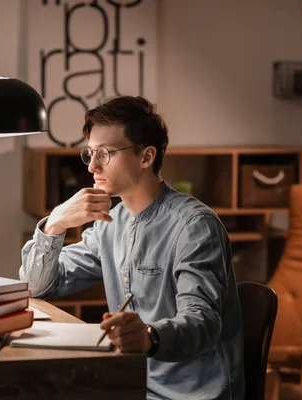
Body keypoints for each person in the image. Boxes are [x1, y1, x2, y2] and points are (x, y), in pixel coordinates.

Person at [19, 96, 244, 400]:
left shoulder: (195, 226)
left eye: (106, 153)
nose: (93, 166)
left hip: (190, 395)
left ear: (146, 157)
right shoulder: (111, 222)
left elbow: (203, 322)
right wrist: (55, 223)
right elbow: (37, 286)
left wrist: (150, 336)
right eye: (90, 154)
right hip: (130, 382)